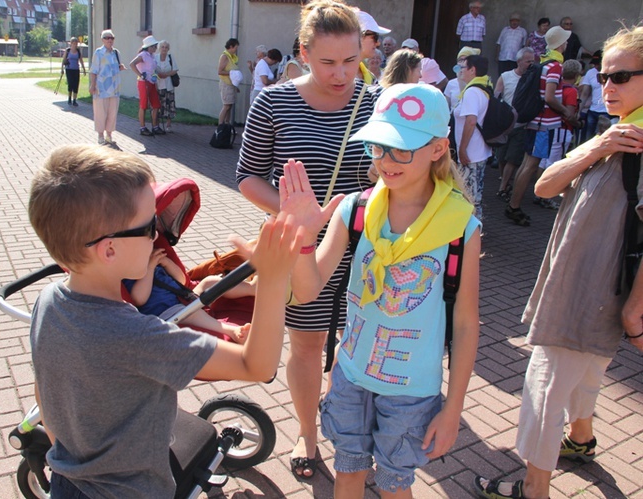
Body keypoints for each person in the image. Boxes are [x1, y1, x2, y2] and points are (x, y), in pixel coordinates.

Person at [28, 143, 303, 499]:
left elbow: (44, 392)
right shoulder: (138, 335)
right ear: (108, 249)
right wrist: (273, 278)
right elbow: (258, 365)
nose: (157, 236)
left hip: (68, 482)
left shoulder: (48, 301)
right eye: (148, 229)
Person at [280, 83, 481, 499]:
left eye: (401, 150)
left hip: (412, 392)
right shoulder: (354, 209)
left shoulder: (461, 227)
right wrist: (303, 238)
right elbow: (307, 289)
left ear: (438, 148)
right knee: (348, 472)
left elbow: (464, 322)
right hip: (351, 376)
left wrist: (454, 407)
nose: (386, 161)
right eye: (378, 147)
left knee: (394, 486)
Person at [475, 24, 643, 499]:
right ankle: (583, 439)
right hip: (590, 290)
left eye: (623, 77)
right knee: (587, 371)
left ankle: (534, 488)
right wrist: (600, 145)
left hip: (592, 293)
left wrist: (634, 307)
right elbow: (546, 185)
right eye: (605, 76)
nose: (607, 87)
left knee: (545, 385)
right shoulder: (619, 133)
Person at [236, 0, 382, 480]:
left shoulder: (377, 100)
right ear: (303, 52)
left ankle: (354, 430)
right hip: (300, 247)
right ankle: (307, 431)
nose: (341, 74)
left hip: (367, 249)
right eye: (327, 62)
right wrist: (296, 215)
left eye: (350, 60)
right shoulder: (274, 102)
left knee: (359, 347)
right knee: (306, 345)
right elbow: (248, 177)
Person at [505, 26, 572, 226]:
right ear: (561, 44)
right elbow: (550, 97)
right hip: (544, 123)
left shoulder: (544, 62)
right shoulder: (555, 67)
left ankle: (513, 204)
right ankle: (514, 207)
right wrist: (565, 111)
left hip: (537, 121)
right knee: (530, 165)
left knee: (527, 164)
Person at [125, 248, 255, 344]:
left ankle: (252, 288)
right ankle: (233, 331)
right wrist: (150, 268)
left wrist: (167, 263)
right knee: (192, 313)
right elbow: (139, 299)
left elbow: (181, 281)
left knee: (209, 282)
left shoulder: (155, 264)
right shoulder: (129, 275)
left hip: (185, 299)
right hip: (168, 312)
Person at [535, 59, 582, 208]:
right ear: (576, 74)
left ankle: (539, 193)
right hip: (562, 129)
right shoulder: (572, 91)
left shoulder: (558, 87)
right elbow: (570, 114)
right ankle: (545, 195)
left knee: (543, 161)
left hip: (549, 127)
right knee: (553, 163)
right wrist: (579, 124)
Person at [494, 47, 537, 200]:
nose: (531, 64)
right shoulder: (505, 76)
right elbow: (497, 96)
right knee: (501, 157)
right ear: (519, 61)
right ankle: (503, 180)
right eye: (528, 61)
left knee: (512, 158)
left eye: (533, 61)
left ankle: (503, 186)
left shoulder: (533, 78)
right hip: (505, 125)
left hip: (521, 125)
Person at [453, 54, 491, 220]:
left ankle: (472, 232)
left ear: (472, 70)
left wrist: (462, 148)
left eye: (464, 67)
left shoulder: (472, 92)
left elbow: (471, 121)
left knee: (469, 196)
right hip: (478, 152)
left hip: (471, 153)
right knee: (475, 193)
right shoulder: (483, 87)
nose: (461, 71)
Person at [89, 29, 126, 148]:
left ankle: (109, 134)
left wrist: (120, 67)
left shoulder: (116, 53)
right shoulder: (98, 52)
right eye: (107, 38)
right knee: (100, 112)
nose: (110, 40)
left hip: (114, 88)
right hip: (101, 88)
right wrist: (92, 85)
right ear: (102, 40)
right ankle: (100, 135)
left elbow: (117, 65)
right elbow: (94, 70)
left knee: (112, 113)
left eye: (112, 38)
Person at [130, 35, 164, 137]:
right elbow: (132, 64)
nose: (155, 48)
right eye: (153, 46)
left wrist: (155, 78)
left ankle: (155, 126)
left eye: (155, 46)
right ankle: (142, 127)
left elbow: (153, 70)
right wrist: (140, 74)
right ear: (148, 47)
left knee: (156, 105)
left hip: (152, 82)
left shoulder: (152, 56)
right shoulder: (143, 54)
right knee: (144, 105)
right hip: (143, 82)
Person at [579, 51, 610, 143]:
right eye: (594, 64)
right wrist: (579, 110)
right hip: (593, 111)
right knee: (588, 140)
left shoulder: (612, 72)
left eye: (598, 64)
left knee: (603, 140)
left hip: (606, 112)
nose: (596, 66)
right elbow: (585, 93)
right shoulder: (590, 73)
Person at [357, 10, 390, 84]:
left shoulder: (370, 77)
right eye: (375, 37)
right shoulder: (338, 73)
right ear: (359, 36)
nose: (378, 43)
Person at [155, 40, 178, 133]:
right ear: (159, 48)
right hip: (159, 84)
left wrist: (166, 74)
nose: (164, 49)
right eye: (162, 47)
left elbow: (175, 69)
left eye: (166, 47)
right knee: (159, 104)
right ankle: (158, 124)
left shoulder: (170, 57)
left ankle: (168, 124)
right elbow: (152, 70)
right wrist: (159, 75)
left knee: (169, 104)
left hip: (168, 84)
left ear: (168, 49)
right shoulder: (155, 58)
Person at [217, 38, 240, 125]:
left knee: (229, 106)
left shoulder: (232, 57)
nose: (236, 50)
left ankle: (227, 125)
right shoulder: (224, 56)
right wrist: (232, 73)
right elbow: (220, 71)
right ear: (231, 46)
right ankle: (220, 126)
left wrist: (236, 86)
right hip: (226, 84)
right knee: (226, 106)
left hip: (231, 84)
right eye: (235, 48)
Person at [62, 37, 86, 107]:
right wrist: (62, 69)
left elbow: (81, 60)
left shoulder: (78, 51)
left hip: (76, 69)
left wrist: (84, 69)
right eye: (73, 43)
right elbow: (63, 60)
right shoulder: (68, 50)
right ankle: (69, 98)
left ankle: (74, 100)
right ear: (71, 43)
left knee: (76, 84)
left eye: (76, 43)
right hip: (69, 69)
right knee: (70, 84)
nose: (75, 45)